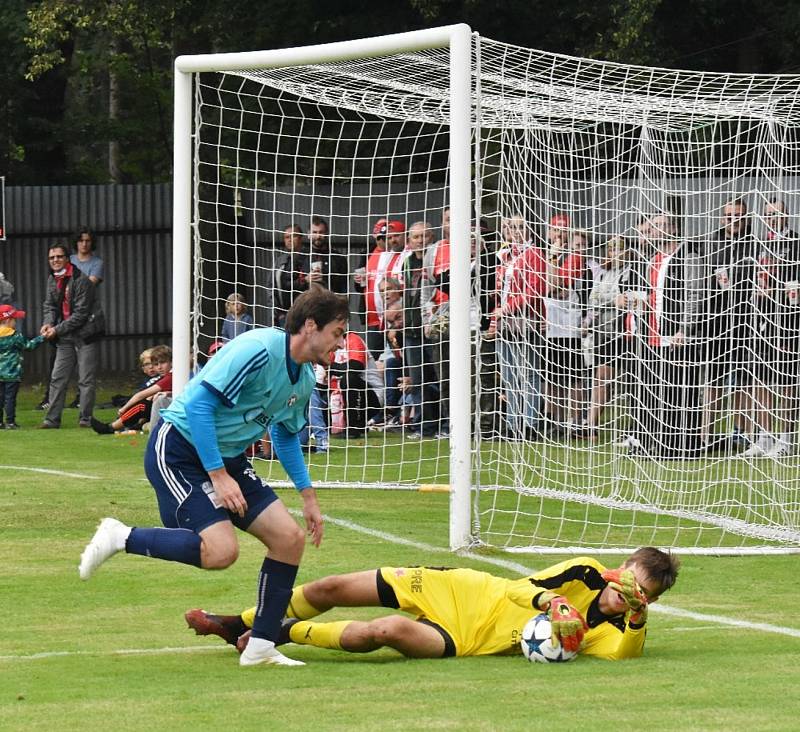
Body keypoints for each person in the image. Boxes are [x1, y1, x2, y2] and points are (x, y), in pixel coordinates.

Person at [78, 287, 350, 668]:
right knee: (221, 552)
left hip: (227, 458)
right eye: (337, 332)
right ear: (310, 326)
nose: (340, 342)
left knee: (288, 539)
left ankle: (260, 647)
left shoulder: (304, 379)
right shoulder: (257, 348)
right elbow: (202, 407)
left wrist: (309, 497)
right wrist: (219, 476)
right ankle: (121, 535)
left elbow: (286, 435)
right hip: (179, 448)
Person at [186, 546, 679, 662]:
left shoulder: (616, 631)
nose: (626, 594)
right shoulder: (586, 571)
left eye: (640, 596)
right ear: (620, 568)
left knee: (385, 631)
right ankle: (237, 623)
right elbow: (515, 588)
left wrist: (635, 620)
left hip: (467, 639)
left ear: (648, 601)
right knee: (330, 588)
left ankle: (276, 634)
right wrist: (553, 604)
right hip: (464, 589)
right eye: (628, 582)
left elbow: (623, 656)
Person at [39, 244, 105, 429]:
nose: (55, 260)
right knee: (57, 377)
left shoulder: (81, 280)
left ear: (68, 259)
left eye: (59, 257)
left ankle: (85, 419)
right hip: (65, 335)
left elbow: (81, 315)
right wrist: (48, 323)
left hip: (86, 334)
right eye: (52, 258)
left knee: (85, 379)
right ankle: (51, 420)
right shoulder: (52, 279)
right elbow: (49, 305)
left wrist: (56, 330)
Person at [90, 344, 173, 434]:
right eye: (156, 364)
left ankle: (110, 427)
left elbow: (140, 395)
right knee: (144, 402)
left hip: (167, 408)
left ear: (172, 362)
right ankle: (128, 425)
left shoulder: (169, 377)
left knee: (142, 405)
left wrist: (124, 408)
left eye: (163, 362)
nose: (159, 367)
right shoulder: (164, 377)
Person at [0, 304, 45, 429]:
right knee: (10, 399)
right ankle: (10, 422)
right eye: (15, 319)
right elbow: (29, 346)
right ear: (8, 320)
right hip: (12, 375)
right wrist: (42, 338)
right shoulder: (15, 336)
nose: (16, 322)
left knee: (0, 399)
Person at [272, 224, 309, 327]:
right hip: (284, 315)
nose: (290, 240)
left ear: (301, 238)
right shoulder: (280, 261)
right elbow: (272, 286)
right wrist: (276, 312)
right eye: (287, 237)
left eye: (293, 236)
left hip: (306, 314)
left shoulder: (310, 257)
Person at [306, 216, 349, 295]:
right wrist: (305, 280)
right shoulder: (300, 257)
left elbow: (344, 288)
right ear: (308, 234)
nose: (318, 236)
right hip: (306, 305)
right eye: (314, 232)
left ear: (327, 233)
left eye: (321, 232)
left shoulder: (338, 258)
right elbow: (290, 285)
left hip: (331, 304)